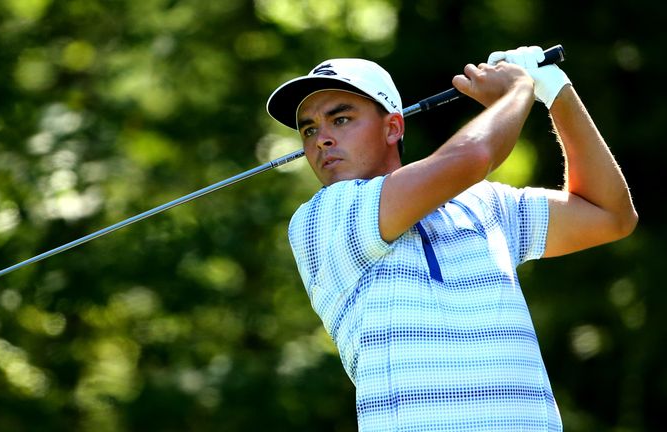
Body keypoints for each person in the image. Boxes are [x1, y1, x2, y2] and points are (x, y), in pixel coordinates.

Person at [265, 46, 637, 431]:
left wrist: (556, 92)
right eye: (309, 129)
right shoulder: (322, 218)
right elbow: (474, 154)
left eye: (340, 119)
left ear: (393, 127)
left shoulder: (487, 204)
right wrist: (518, 92)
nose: (321, 139)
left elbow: (609, 214)